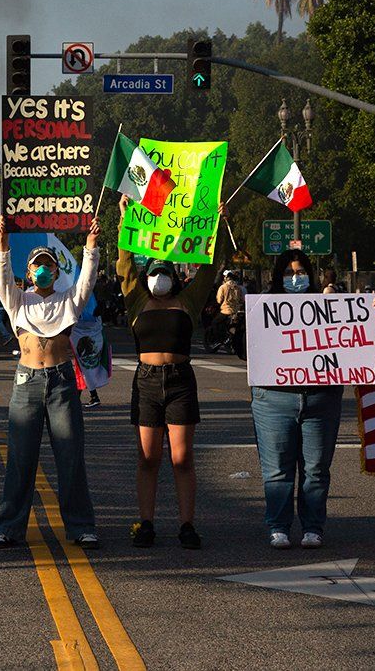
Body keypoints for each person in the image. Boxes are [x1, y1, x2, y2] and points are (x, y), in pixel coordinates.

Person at [116, 195, 228, 549]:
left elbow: (211, 266)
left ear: (175, 276)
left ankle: (186, 525)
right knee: (148, 458)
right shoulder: (136, 299)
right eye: (153, 272)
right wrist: (125, 220)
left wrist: (220, 224)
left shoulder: (189, 301)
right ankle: (146, 523)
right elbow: (124, 266)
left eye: (164, 271)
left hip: (180, 382)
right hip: (146, 382)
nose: (158, 277)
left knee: (182, 458)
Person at [0, 215, 102, 550]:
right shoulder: (18, 299)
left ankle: (81, 526)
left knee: (70, 457)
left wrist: (91, 245)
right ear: (29, 270)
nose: (43, 269)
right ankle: (8, 527)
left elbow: (88, 281)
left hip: (62, 383)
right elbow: (3, 276)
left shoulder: (69, 300)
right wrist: (3, 241)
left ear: (56, 272)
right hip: (27, 383)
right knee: (21, 459)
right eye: (37, 264)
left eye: (48, 265)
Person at [250, 249, 345, 549]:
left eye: (300, 272)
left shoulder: (330, 307)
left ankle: (313, 527)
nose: (295, 278)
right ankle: (278, 526)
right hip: (275, 400)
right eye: (289, 273)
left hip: (319, 399)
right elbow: (246, 351)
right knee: (277, 470)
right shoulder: (262, 307)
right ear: (278, 275)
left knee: (316, 469)